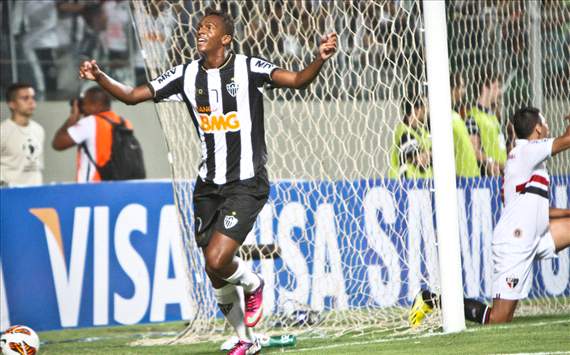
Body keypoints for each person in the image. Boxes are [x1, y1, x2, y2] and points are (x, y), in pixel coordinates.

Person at [77, 7, 337, 354]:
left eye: (209, 28)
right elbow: (132, 95)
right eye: (199, 28)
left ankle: (253, 282)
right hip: (207, 185)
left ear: (225, 38)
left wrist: (319, 58)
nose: (200, 32)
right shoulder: (185, 75)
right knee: (214, 272)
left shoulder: (248, 67)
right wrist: (101, 77)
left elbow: (296, 80)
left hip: (246, 182)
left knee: (217, 260)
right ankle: (246, 339)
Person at [409, 107, 570, 326]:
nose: (548, 126)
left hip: (536, 236)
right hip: (515, 245)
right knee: (498, 319)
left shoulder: (528, 159)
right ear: (539, 129)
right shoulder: (527, 151)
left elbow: (538, 208)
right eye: (545, 122)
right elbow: (567, 140)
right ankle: (431, 300)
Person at [52, 86, 139, 182]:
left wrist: (73, 117)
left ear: (97, 105)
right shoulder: (124, 123)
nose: (82, 108)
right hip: (117, 187)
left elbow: (58, 143)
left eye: (84, 103)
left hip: (92, 189)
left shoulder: (90, 122)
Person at [1, 83, 45, 187]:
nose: (31, 102)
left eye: (32, 97)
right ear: (12, 104)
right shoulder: (3, 131)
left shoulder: (39, 130)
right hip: (10, 196)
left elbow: (38, 165)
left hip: (36, 194)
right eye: (25, 98)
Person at [465, 68, 506, 176]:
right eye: (496, 87)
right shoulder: (473, 117)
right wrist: (490, 161)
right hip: (487, 177)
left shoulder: (492, 116)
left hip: (502, 175)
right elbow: (473, 150)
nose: (499, 92)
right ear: (485, 88)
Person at [389, 95, 432, 179]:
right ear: (415, 110)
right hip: (408, 184)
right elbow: (420, 160)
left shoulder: (422, 131)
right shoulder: (404, 132)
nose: (427, 111)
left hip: (423, 184)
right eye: (425, 107)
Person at [450, 73, 479, 178]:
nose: (464, 91)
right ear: (454, 89)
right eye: (462, 87)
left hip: (471, 174)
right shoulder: (445, 116)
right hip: (459, 175)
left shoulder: (456, 115)